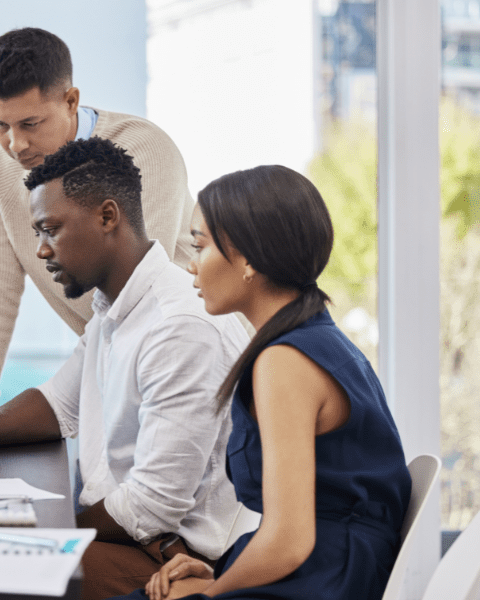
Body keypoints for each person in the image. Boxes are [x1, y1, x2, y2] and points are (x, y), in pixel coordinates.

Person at [0, 138, 249, 600]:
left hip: (174, 560)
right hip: (130, 538)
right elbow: (58, 402)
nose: (42, 251)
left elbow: (149, 508)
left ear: (108, 216)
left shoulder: (179, 325)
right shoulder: (114, 306)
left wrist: (48, 527)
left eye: (51, 229)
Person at [122, 165, 412, 600]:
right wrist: (220, 570)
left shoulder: (284, 361)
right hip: (328, 568)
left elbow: (290, 542)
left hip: (324, 581)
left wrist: (211, 592)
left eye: (200, 245)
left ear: (249, 260)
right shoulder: (319, 340)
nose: (190, 263)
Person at [0, 27, 197, 416]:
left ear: (70, 101)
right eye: (1, 125)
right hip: (109, 358)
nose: (15, 144)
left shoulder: (143, 149)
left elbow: (139, 291)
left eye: (30, 124)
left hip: (185, 357)